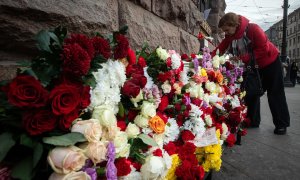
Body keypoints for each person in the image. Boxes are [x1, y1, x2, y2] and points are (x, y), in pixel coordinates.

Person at [211, 12, 290, 135]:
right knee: (251, 92)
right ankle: (253, 120)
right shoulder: (231, 36)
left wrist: (244, 58)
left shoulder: (254, 29)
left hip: (271, 62)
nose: (226, 33)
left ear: (235, 25)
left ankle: (281, 124)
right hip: (254, 66)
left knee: (275, 93)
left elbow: (264, 49)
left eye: (227, 29)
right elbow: (221, 48)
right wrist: (209, 58)